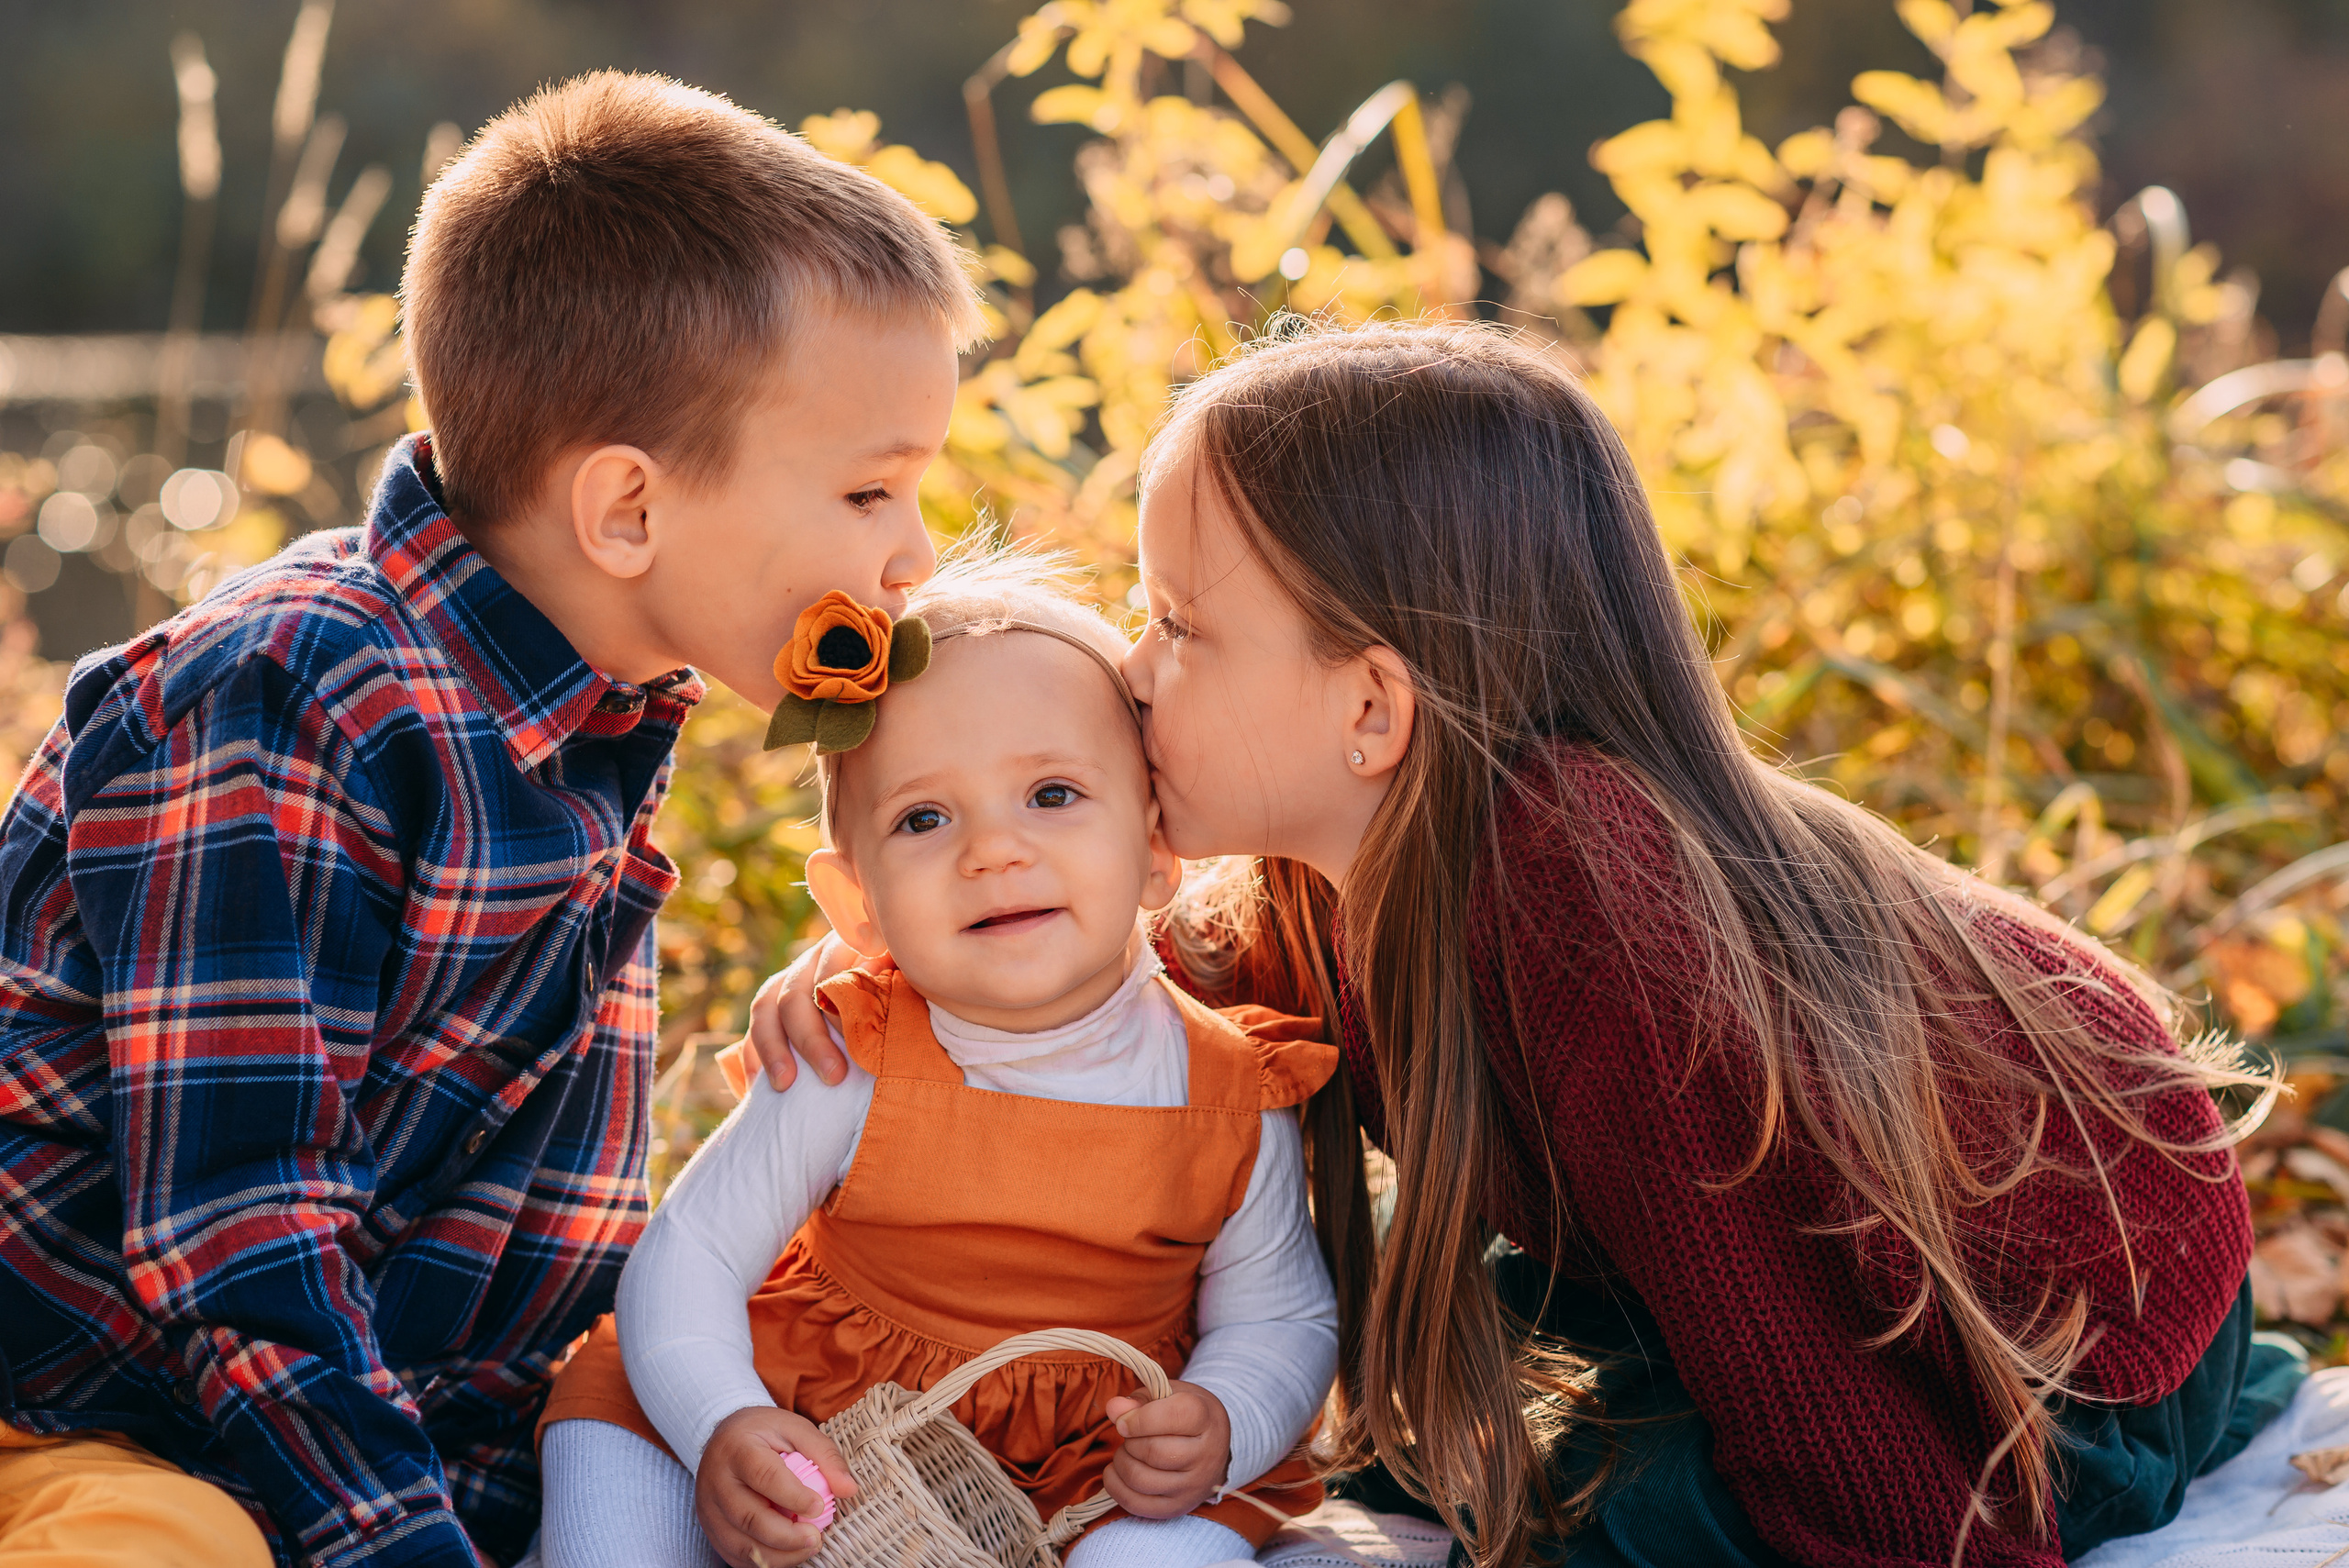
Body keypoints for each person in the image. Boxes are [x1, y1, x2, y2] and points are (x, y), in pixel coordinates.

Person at [749, 319, 2295, 1568]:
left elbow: (1797, 1357)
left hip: (2055, 1334)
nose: (1134, 678)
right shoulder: (1338, 862)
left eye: (1178, 629)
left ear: (1370, 709)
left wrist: (1889, 1532)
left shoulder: (1595, 905)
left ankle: (2231, 1404)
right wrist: (886, 967)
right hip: (1775, 1244)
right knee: (1449, 1428)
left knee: (1589, 1505)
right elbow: (1129, 985)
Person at [0, 72, 983, 1567]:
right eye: (869, 490)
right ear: (628, 513)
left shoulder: (597, 703)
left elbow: (526, 1261)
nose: (912, 550)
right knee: (164, 1544)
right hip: (78, 1412)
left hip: (355, 1419)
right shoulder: (289, 700)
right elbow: (239, 1234)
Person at [535, 555, 1336, 1568]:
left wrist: (1227, 1416)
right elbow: (689, 1254)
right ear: (858, 902)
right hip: (802, 1407)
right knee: (616, 1502)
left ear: (1156, 849)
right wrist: (719, 1420)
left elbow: (1283, 1315)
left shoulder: (1230, 1095)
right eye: (924, 817)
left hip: (1094, 1458)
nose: (993, 849)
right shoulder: (851, 1050)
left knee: (1156, 1554)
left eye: (1052, 792)